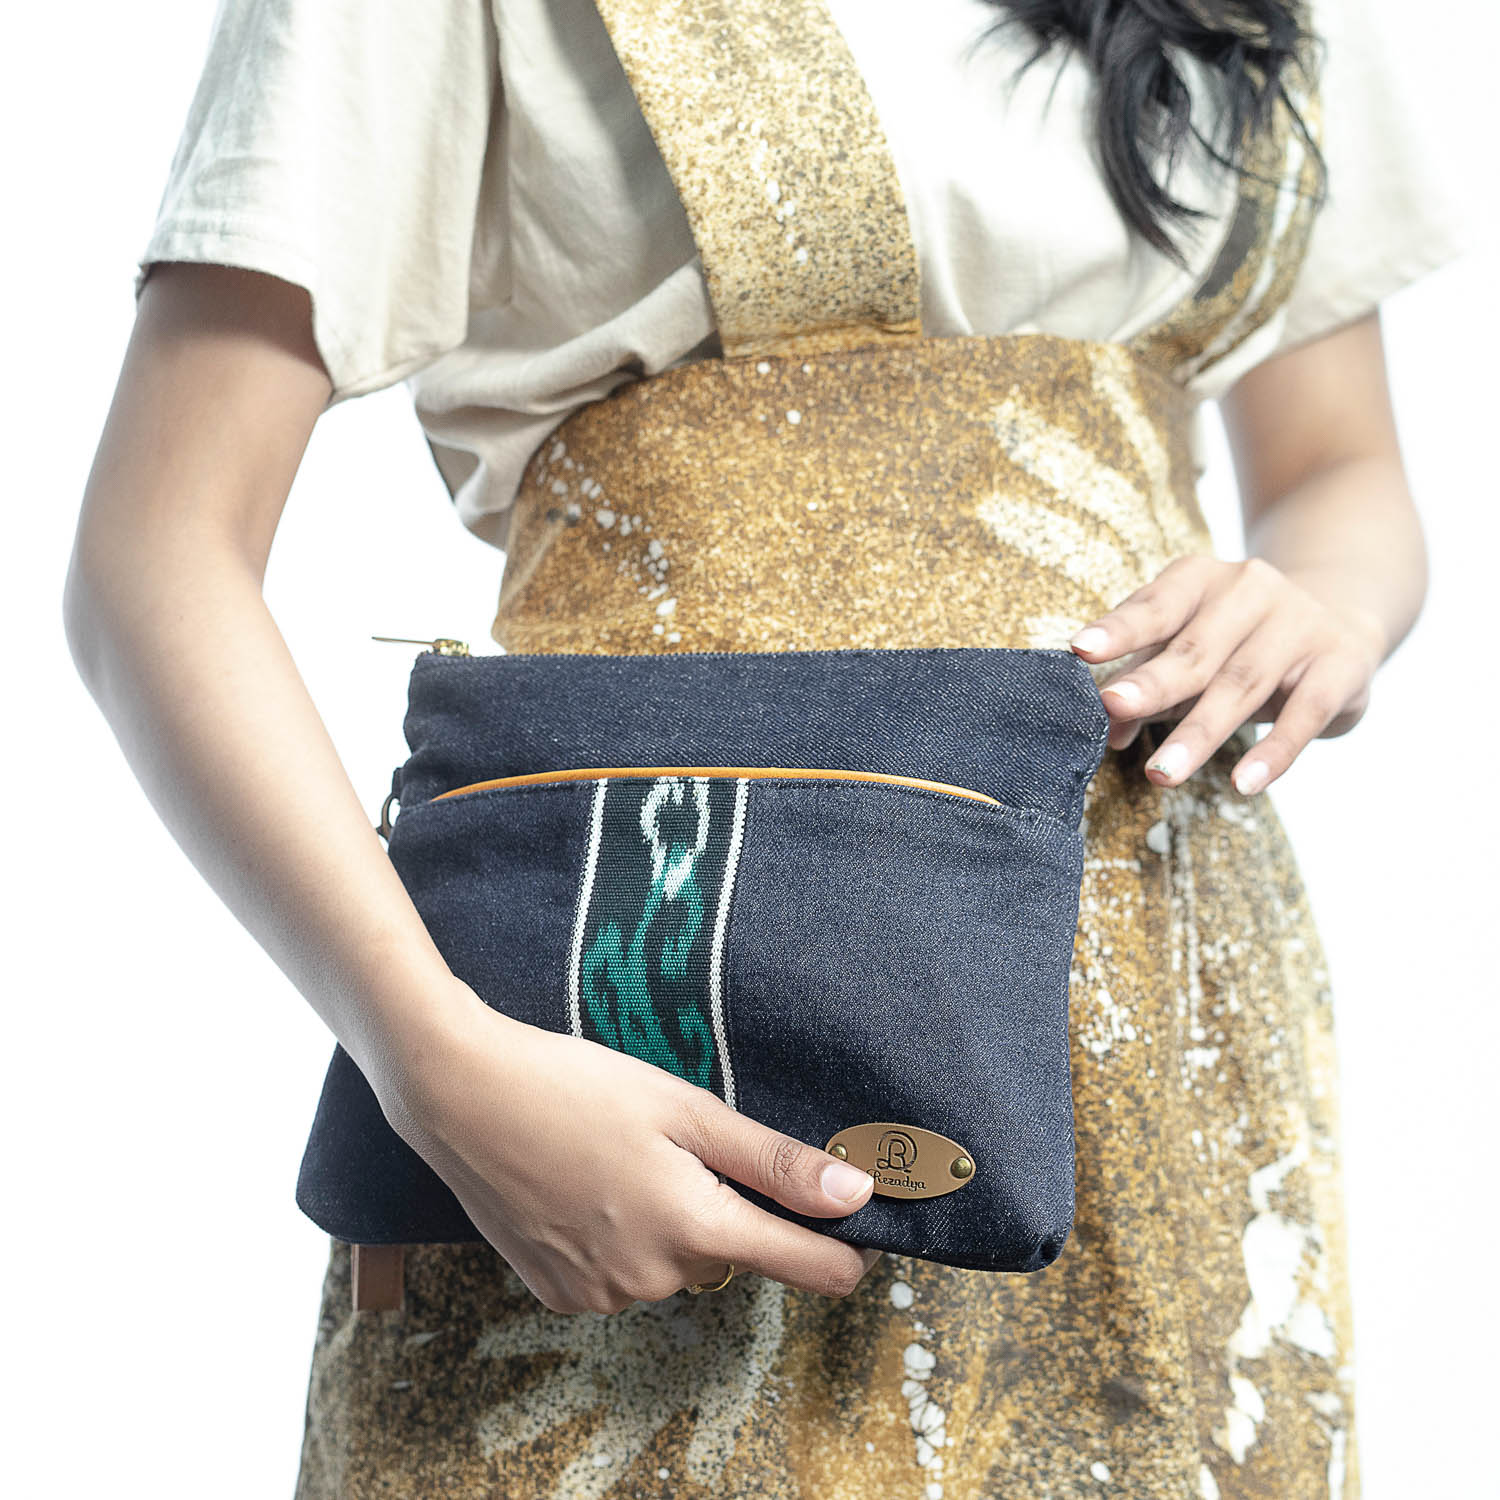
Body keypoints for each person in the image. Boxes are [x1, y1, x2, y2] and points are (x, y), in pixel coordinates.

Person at [62, 0, 1468, 1495]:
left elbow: (1339, 468)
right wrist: (434, 1061)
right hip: (644, 1021)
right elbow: (156, 553)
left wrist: (1326, 605)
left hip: (1159, 1011)